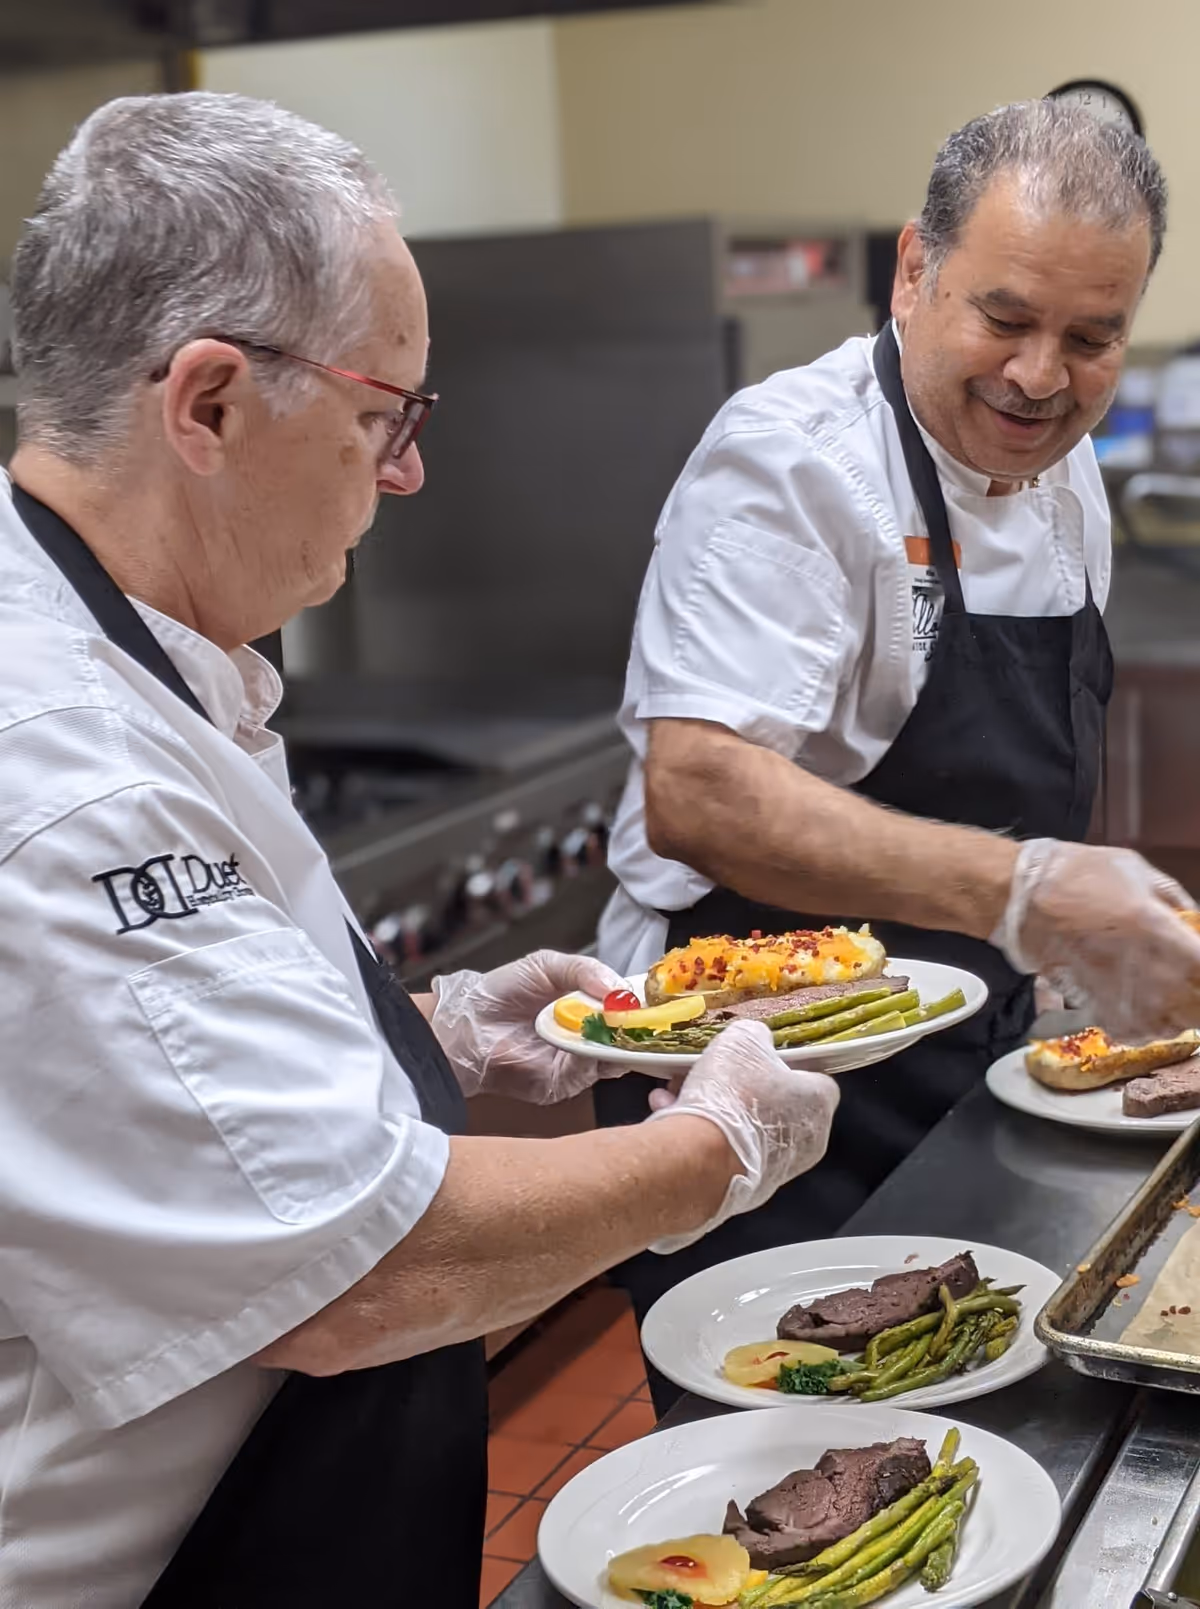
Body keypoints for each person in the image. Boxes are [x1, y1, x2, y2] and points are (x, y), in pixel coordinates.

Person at [0, 92, 842, 1608]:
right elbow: (359, 1274)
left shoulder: (146, 659)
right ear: (205, 404)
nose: (406, 475)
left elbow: (178, 1114)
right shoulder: (56, 773)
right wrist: (715, 1152)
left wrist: (431, 1046)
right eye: (386, 415)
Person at [596, 99, 1200, 1412]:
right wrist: (1033, 891)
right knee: (792, 1471)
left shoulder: (1063, 469)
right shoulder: (791, 466)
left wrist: (1069, 954)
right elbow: (698, 788)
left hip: (960, 1056)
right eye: (1007, 318)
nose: (1042, 377)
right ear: (914, 274)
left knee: (977, 1431)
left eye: (1092, 339)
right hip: (755, 1076)